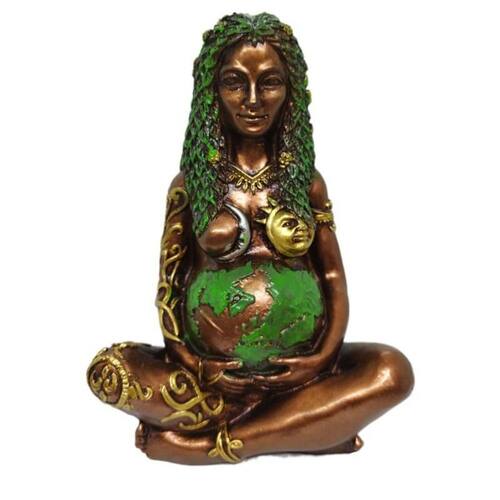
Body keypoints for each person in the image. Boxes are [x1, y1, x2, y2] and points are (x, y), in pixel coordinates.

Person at [87, 12, 414, 465]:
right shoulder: (191, 186)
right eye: (235, 83)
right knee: (110, 371)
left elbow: (332, 276)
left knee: (392, 371)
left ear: (291, 91)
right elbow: (169, 289)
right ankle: (310, 427)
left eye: (270, 82)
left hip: (302, 375)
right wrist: (195, 363)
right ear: (212, 92)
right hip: (210, 383)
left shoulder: (306, 184)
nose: (253, 100)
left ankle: (215, 446)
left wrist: (321, 360)